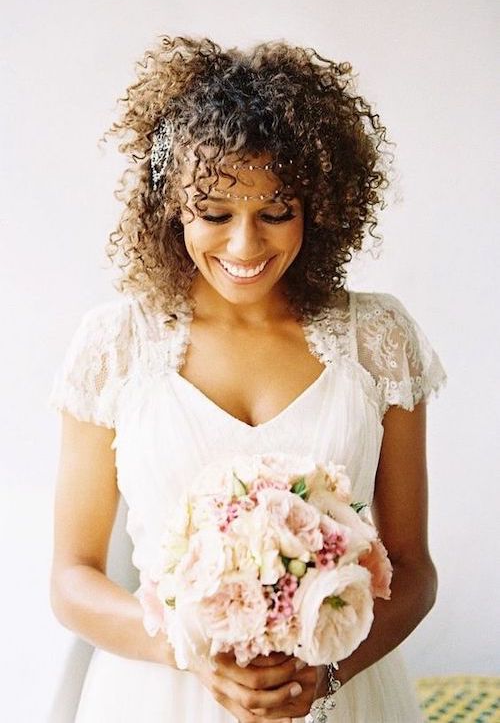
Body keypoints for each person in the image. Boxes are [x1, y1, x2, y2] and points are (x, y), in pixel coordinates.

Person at [49, 35, 446, 722]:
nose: (244, 245)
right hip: (156, 698)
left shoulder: (377, 340)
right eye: (216, 214)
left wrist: (325, 673)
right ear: (173, 206)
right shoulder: (115, 345)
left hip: (343, 702)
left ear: (317, 207)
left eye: (274, 212)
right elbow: (70, 579)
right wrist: (188, 646)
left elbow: (412, 569)